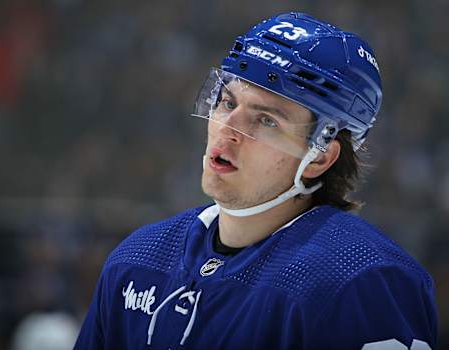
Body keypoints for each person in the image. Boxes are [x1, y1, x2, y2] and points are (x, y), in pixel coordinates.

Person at [75, 12, 437, 349]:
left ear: (320, 156)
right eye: (228, 102)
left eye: (266, 120)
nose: (228, 130)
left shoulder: (359, 281)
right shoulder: (138, 259)